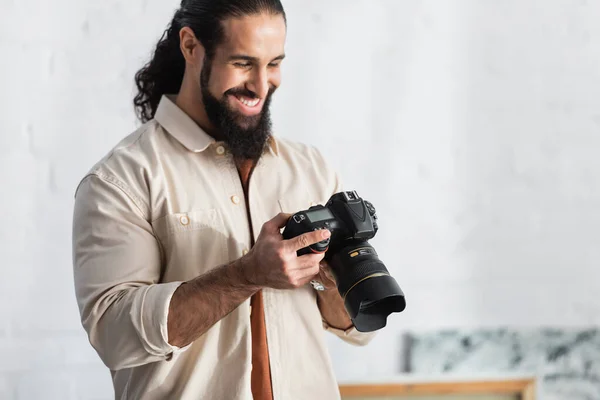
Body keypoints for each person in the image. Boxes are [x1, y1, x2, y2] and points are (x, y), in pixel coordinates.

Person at [72, 1, 375, 399]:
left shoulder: (310, 167)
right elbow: (113, 334)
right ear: (191, 46)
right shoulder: (122, 179)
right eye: (243, 63)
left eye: (274, 64)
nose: (262, 85)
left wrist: (334, 282)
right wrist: (247, 274)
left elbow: (349, 327)